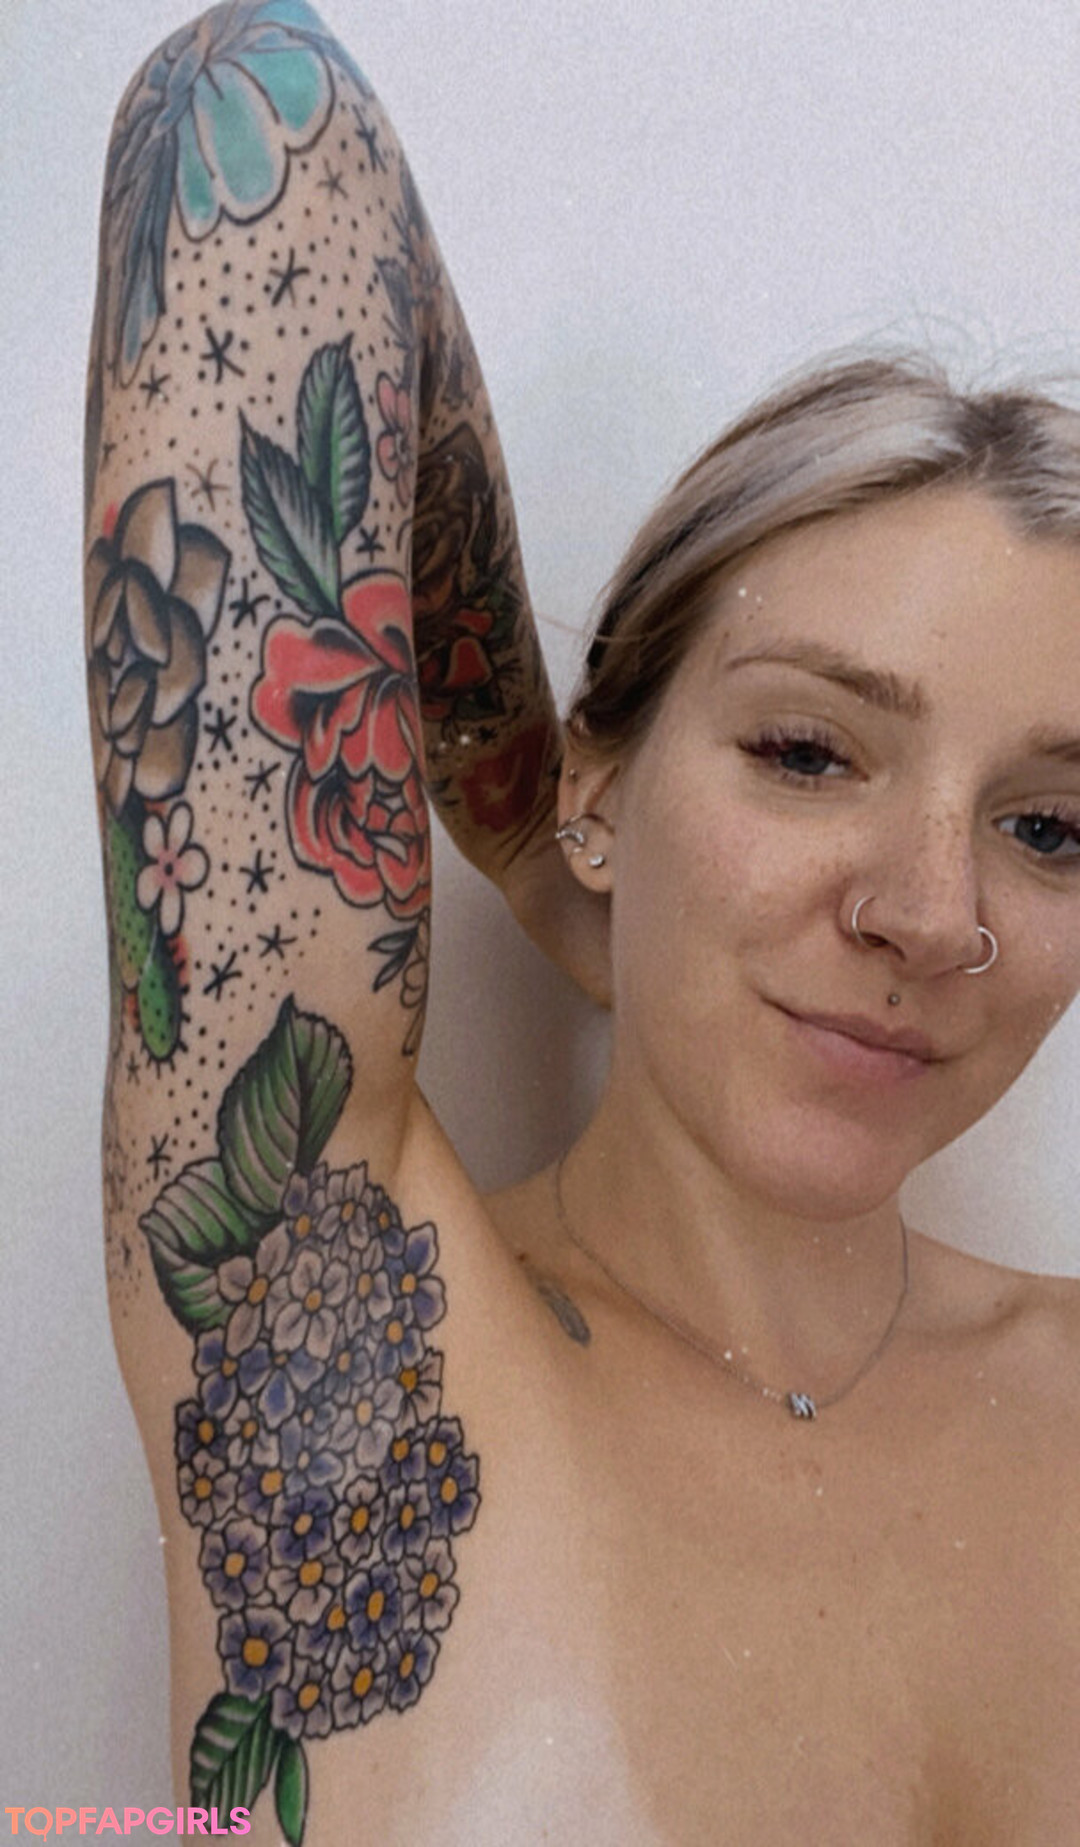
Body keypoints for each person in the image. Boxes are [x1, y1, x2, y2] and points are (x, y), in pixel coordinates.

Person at [85, 6, 1080, 1841]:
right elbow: (258, 118)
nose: (934, 915)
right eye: (806, 751)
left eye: (1048, 827)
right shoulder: (334, 1314)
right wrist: (532, 847)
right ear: (605, 782)